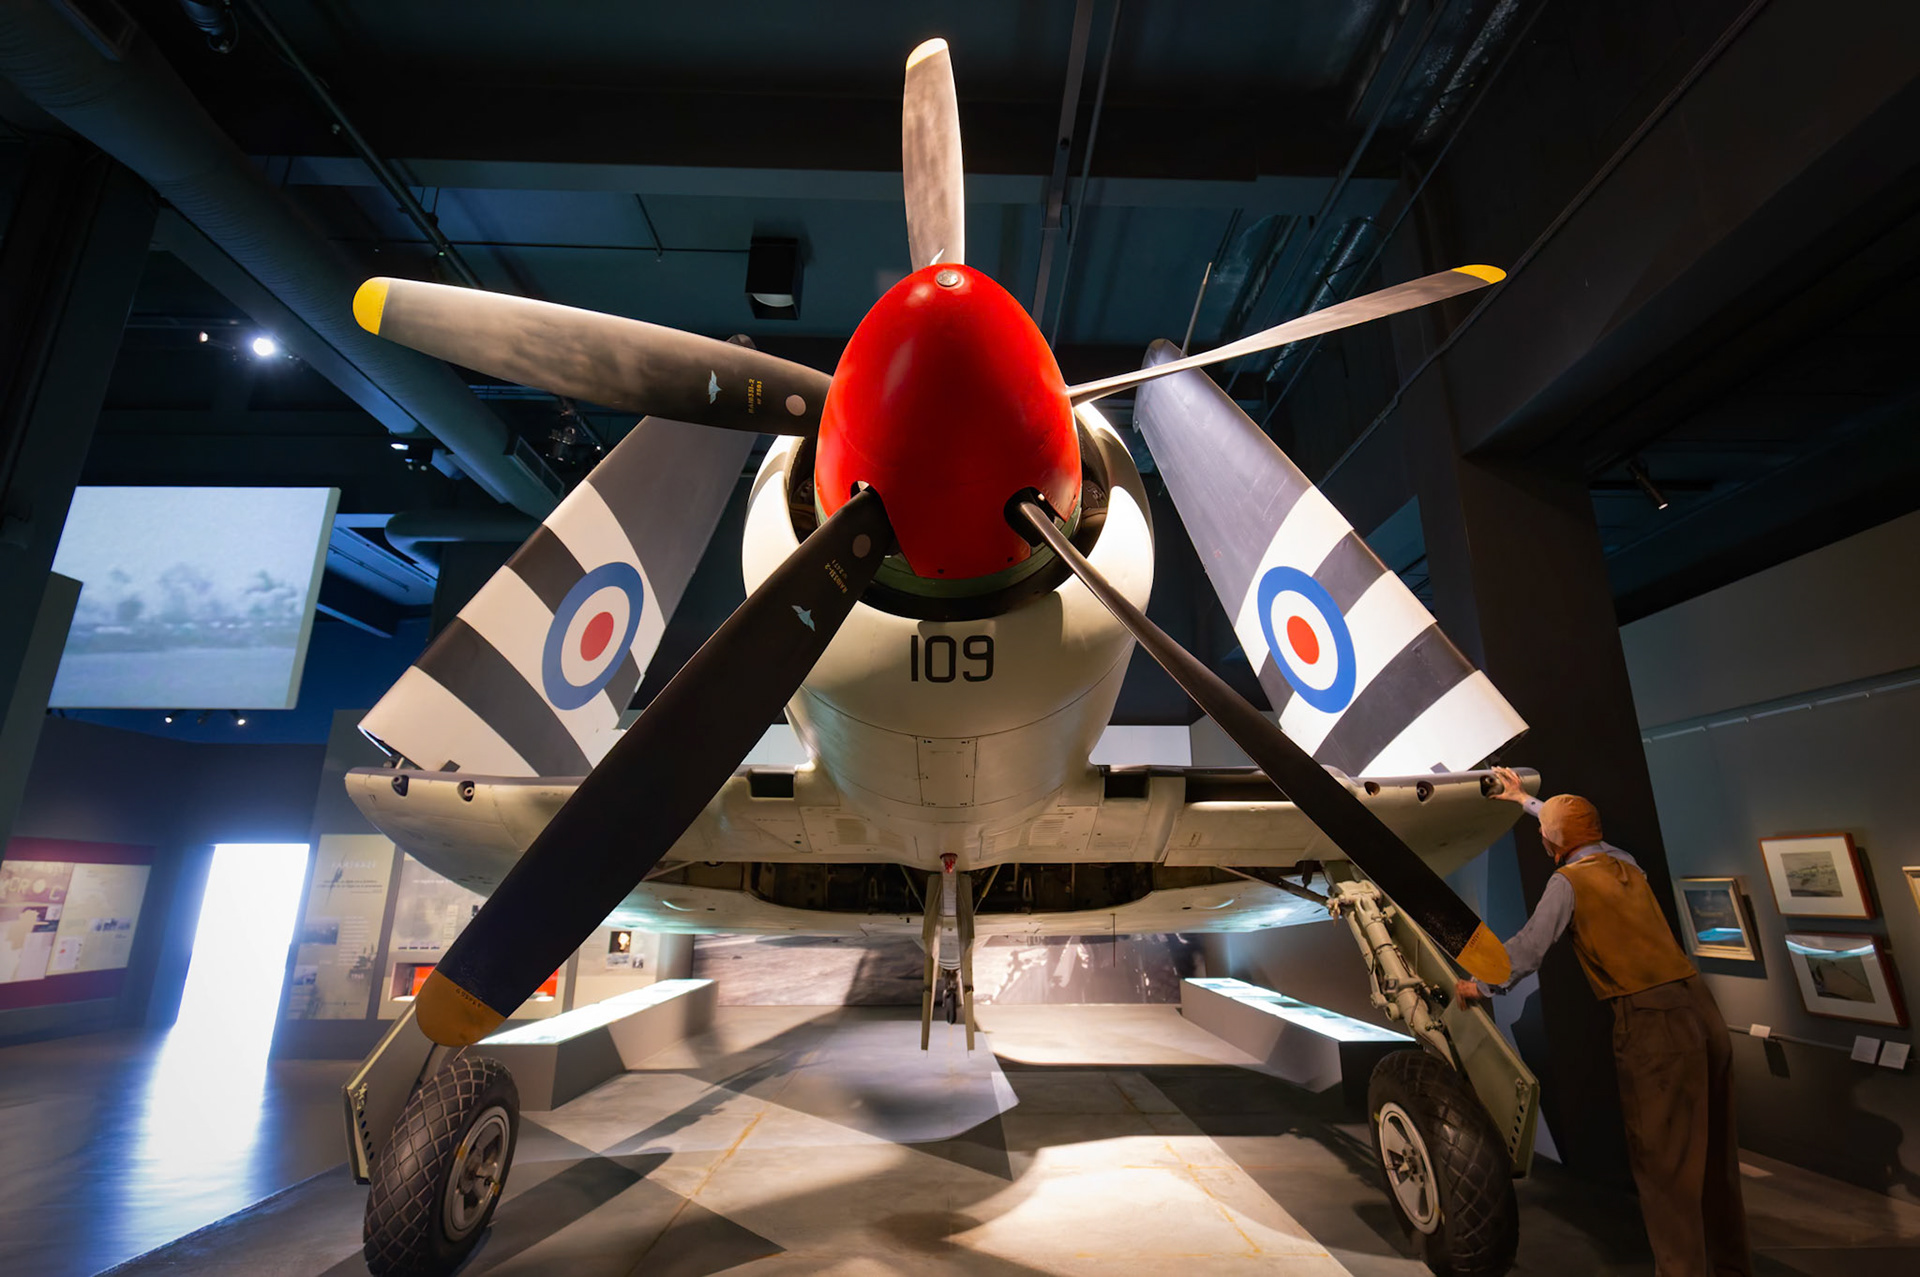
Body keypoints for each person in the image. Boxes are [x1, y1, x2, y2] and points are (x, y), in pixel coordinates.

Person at [1457, 767, 1751, 1277]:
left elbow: (1526, 951)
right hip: (1700, 1008)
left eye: (1546, 830)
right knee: (1715, 1160)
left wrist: (1477, 986)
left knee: (1665, 1166)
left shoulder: (1566, 883)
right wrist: (1526, 801)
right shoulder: (1624, 864)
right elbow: (1576, 835)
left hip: (1652, 1023)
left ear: (1552, 841)